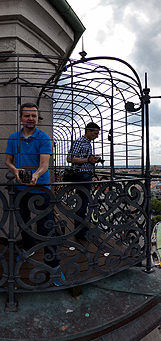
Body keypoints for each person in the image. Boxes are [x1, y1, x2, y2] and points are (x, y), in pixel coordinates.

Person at [5, 102, 62, 284]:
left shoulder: (43, 138)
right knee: (24, 223)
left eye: (34, 116)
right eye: (27, 115)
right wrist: (15, 170)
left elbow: (44, 165)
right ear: (21, 118)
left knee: (47, 226)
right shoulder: (13, 138)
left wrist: (35, 175)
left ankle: (54, 266)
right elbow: (8, 160)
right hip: (21, 189)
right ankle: (27, 250)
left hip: (41, 188)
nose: (31, 119)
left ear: (37, 118)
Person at [66, 122, 101, 241]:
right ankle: (80, 231)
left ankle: (81, 228)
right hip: (82, 175)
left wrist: (92, 160)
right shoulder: (80, 141)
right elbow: (69, 158)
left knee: (83, 202)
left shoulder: (86, 143)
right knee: (82, 203)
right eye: (95, 133)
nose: (97, 136)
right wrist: (88, 160)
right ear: (88, 131)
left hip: (85, 175)